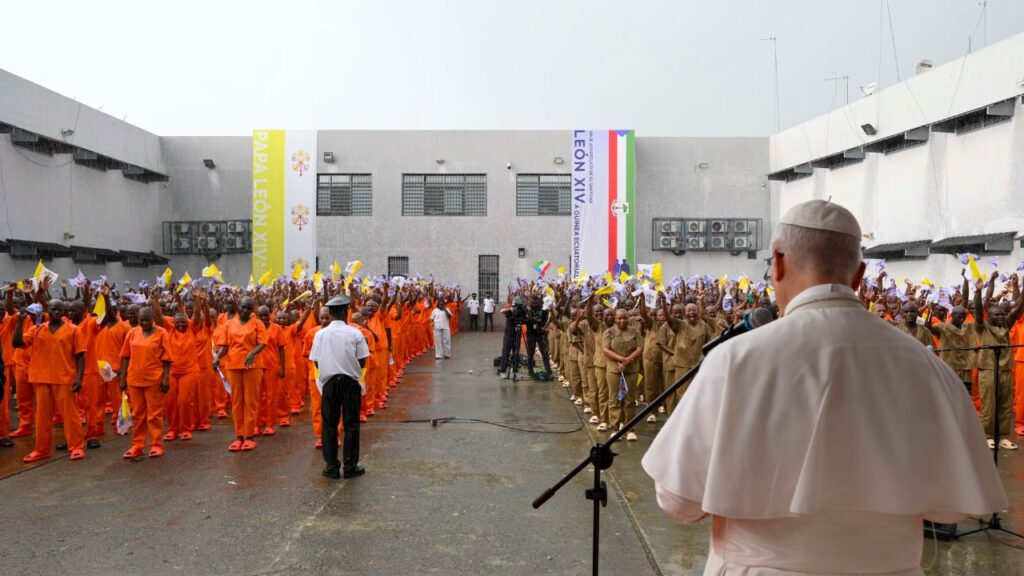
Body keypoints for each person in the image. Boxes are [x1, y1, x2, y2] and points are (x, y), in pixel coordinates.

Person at [643, 199, 1007, 575]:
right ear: (859, 274)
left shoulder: (735, 360)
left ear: (779, 262)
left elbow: (678, 502)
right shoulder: (927, 365)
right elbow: (951, 507)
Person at [14, 299, 88, 463]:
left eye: (59, 309)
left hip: (64, 378)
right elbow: (17, 343)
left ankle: (76, 446)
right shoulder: (36, 329)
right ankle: (41, 449)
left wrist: (79, 378)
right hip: (41, 378)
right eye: (53, 309)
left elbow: (81, 355)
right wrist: (19, 322)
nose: (56, 312)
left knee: (70, 415)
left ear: (63, 311)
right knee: (41, 417)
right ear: (48, 310)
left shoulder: (73, 330)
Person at [309, 294, 370, 480]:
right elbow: (362, 359)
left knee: (329, 425)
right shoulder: (355, 333)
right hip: (350, 382)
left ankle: (331, 467)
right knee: (351, 425)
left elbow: (316, 361)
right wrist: (350, 370)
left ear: (332, 313)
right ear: (346, 311)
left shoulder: (320, 334)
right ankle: (350, 467)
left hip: (329, 383)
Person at [973, 270, 1024, 450]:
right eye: (997, 315)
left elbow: (1018, 308)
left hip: (1005, 371)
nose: (1002, 317)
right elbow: (979, 312)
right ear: (990, 316)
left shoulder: (1006, 325)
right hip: (988, 371)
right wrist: (978, 292)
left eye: (1003, 315)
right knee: (989, 405)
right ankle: (988, 435)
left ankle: (1002, 436)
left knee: (1005, 404)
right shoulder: (982, 327)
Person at [213, 296, 267, 452]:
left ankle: (249, 437)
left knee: (250, 402)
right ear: (239, 307)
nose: (245, 311)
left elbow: (262, 343)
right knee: (236, 402)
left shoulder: (257, 324)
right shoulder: (228, 324)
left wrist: (252, 353)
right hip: (233, 366)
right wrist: (217, 357)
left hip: (252, 367)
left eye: (249, 308)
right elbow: (224, 346)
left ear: (253, 310)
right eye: (243, 307)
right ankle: (239, 436)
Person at [119, 307, 172, 459]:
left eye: (147, 320)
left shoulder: (162, 333)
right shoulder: (132, 332)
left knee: (154, 415)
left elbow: (167, 358)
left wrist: (166, 378)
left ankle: (156, 445)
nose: (144, 323)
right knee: (138, 414)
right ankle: (137, 445)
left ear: (153, 318)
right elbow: (125, 356)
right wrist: (123, 378)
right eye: (141, 320)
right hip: (134, 380)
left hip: (154, 380)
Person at [602, 309, 643, 440]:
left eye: (625, 318)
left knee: (629, 399)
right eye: (619, 318)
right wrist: (621, 359)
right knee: (614, 399)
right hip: (614, 370)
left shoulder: (635, 332)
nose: (622, 321)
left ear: (628, 318)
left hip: (631, 369)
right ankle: (615, 428)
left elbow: (639, 348)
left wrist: (627, 360)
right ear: (615, 319)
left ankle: (629, 428)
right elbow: (606, 349)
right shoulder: (609, 332)